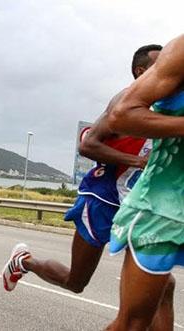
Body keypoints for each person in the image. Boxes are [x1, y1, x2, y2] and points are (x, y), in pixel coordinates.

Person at [2, 43, 174, 329]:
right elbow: (88, 144)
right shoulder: (125, 103)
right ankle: (24, 261)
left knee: (164, 284)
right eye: (161, 66)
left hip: (137, 206)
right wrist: (136, 161)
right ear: (141, 71)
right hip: (102, 200)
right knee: (76, 281)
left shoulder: (167, 107)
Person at [104, 35, 184, 330]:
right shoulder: (180, 51)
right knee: (133, 324)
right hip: (162, 209)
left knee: (165, 294)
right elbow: (121, 115)